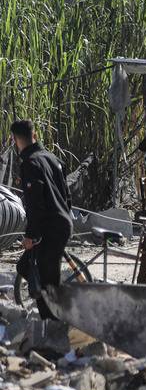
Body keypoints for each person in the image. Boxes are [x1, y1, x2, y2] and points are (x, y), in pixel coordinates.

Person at [12, 120, 72, 320]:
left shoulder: (30, 163)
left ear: (14, 139)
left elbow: (35, 204)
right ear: (34, 135)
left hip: (50, 228)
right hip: (61, 224)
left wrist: (31, 235)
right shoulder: (52, 158)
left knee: (46, 282)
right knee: (26, 267)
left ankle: (53, 326)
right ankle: (54, 319)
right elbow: (67, 196)